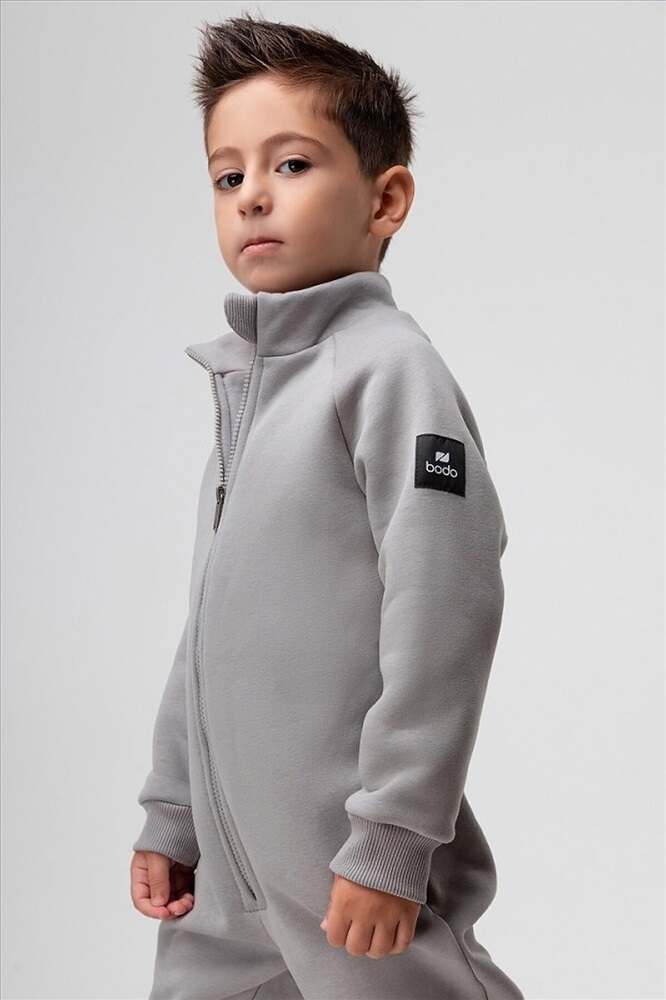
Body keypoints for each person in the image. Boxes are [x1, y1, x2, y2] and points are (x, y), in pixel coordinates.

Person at [129, 12, 524, 1000]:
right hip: (230, 876)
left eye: (293, 164)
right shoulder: (248, 393)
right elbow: (207, 629)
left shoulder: (390, 373)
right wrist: (173, 810)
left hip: (342, 855)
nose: (253, 195)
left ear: (385, 199)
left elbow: (446, 608)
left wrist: (393, 835)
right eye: (227, 176)